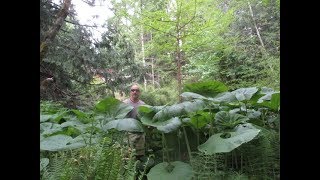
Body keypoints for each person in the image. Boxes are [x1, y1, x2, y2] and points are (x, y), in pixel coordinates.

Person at [123, 84, 146, 158]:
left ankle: (139, 169)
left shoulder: (143, 104)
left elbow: (145, 118)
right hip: (128, 133)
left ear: (139, 93)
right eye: (133, 90)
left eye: (137, 90)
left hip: (140, 133)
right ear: (130, 92)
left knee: (139, 155)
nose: (134, 92)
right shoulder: (125, 103)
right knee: (128, 156)